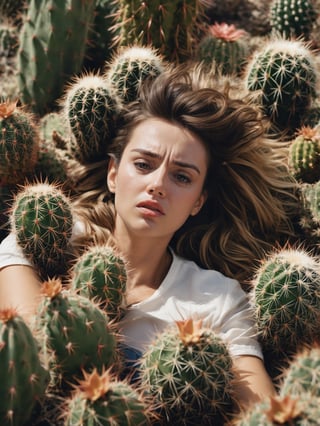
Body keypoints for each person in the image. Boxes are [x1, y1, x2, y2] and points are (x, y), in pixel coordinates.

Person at [0, 66, 297, 412]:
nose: (158, 184)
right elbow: (29, 353)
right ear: (114, 173)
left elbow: (262, 411)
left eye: (182, 177)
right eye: (143, 164)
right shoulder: (47, 234)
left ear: (198, 201)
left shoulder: (216, 300)